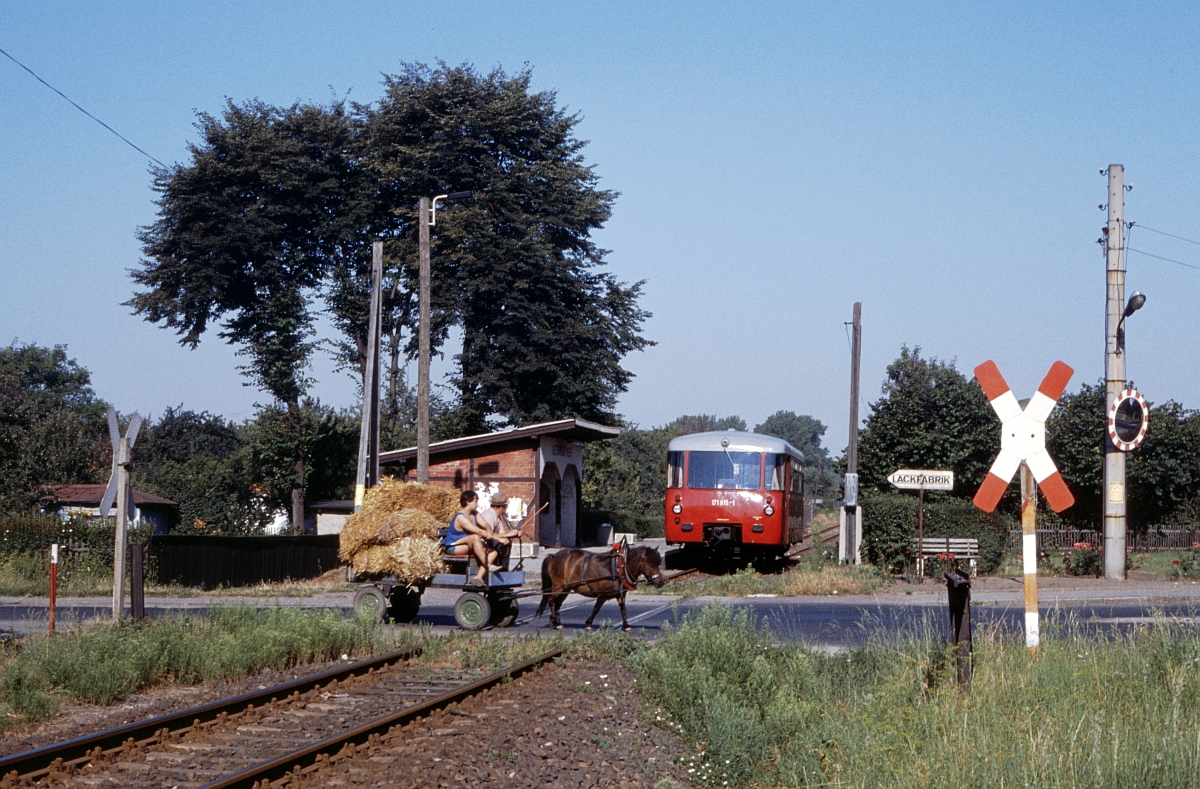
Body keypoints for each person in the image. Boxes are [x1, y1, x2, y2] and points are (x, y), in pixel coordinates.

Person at [444, 490, 499, 586]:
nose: (477, 504)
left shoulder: (475, 514)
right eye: (475, 501)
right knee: (475, 537)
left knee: (493, 552)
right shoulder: (460, 517)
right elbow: (476, 530)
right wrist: (491, 536)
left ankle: (478, 576)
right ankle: (488, 565)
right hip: (455, 546)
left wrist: (489, 530)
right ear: (468, 502)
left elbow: (485, 524)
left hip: (468, 544)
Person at [479, 492, 522, 564]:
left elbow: (501, 533)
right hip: (482, 543)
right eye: (506, 506)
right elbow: (488, 535)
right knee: (503, 544)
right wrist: (507, 535)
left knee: (506, 541)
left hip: (489, 541)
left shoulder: (497, 516)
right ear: (502, 507)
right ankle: (501, 569)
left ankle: (503, 569)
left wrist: (514, 533)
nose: (507, 508)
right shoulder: (489, 515)